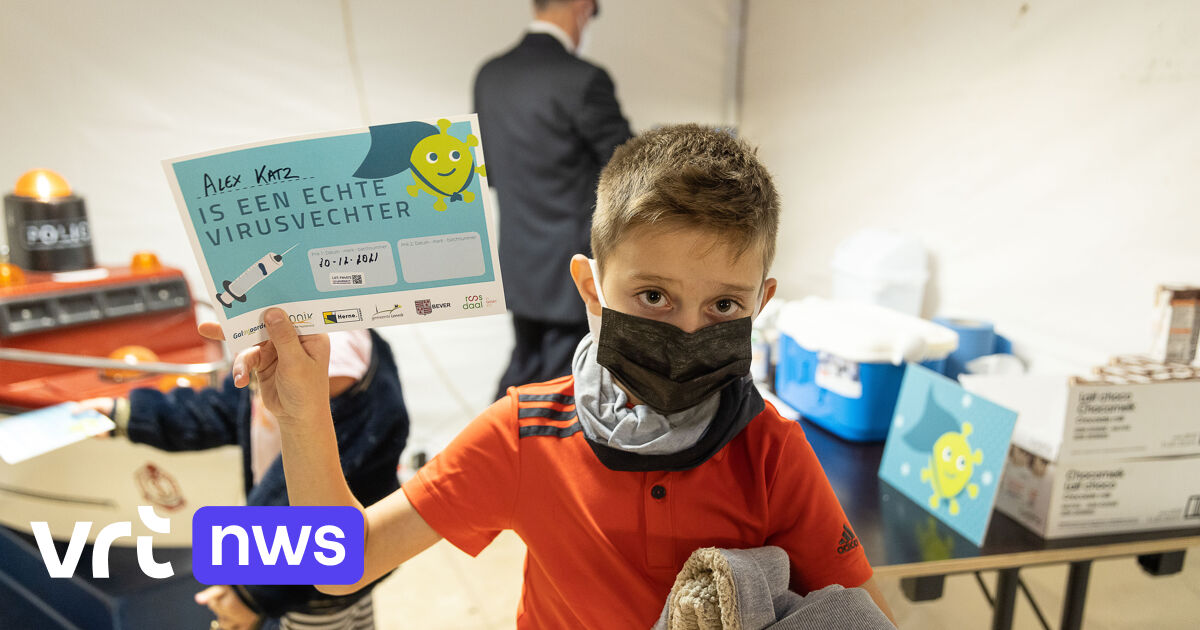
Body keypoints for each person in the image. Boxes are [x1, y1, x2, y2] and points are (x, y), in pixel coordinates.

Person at [211, 125, 896, 628]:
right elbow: (343, 565)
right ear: (590, 289)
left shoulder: (768, 447)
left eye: (724, 305)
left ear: (761, 305)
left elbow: (858, 611)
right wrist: (301, 412)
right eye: (653, 296)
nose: (688, 333)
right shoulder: (525, 433)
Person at [80, 330, 408, 630]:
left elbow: (301, 495)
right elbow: (227, 408)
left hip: (312, 573)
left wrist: (248, 590)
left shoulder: (329, 361)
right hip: (335, 558)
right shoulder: (306, 343)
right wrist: (127, 415)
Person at [474, 0, 633, 398]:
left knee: (523, 371)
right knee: (562, 390)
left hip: (517, 262)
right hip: (571, 268)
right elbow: (632, 172)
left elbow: (488, 169)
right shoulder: (583, 79)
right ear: (581, 7)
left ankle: (492, 450)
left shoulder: (490, 75)